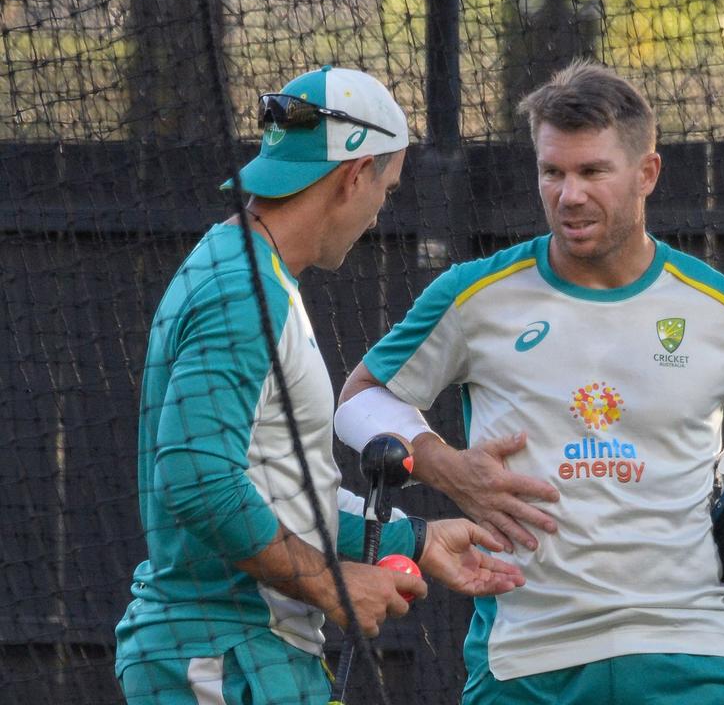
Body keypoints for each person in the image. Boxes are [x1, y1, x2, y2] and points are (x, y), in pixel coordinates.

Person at [333, 61, 724, 705]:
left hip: (690, 654)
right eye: (552, 172)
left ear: (647, 174)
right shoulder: (476, 295)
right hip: (527, 663)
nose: (568, 194)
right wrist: (443, 465)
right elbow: (359, 400)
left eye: (591, 171)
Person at [114, 65, 523, 705]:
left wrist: (414, 539)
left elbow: (273, 491)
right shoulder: (240, 290)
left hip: (251, 654)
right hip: (224, 654)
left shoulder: (254, 275)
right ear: (355, 174)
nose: (378, 212)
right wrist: (332, 583)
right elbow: (196, 480)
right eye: (386, 190)